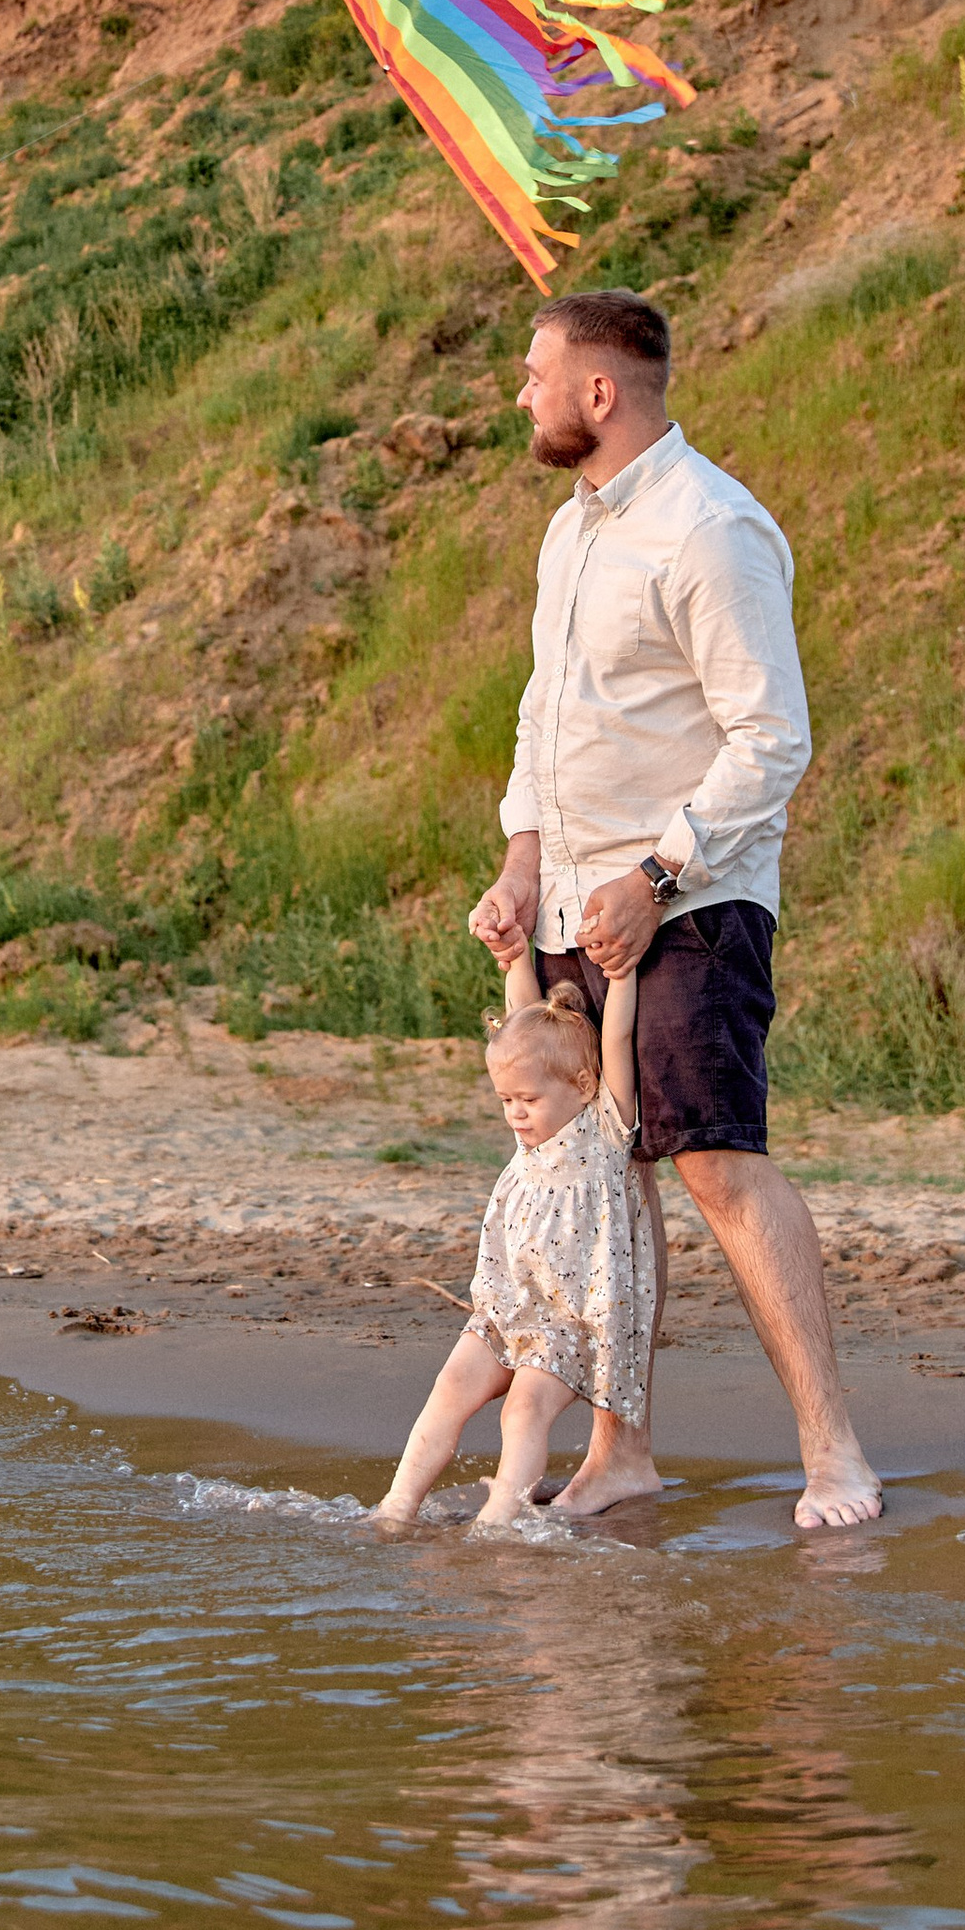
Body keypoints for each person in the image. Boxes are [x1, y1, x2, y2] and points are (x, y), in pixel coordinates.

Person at [469, 287, 880, 1529]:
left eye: (537, 375)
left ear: (601, 392)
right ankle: (622, 1452)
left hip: (690, 905)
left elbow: (771, 739)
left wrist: (655, 880)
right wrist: (520, 864)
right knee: (602, 1180)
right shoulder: (568, 532)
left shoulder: (712, 527)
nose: (522, 395)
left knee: (713, 1163)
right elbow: (546, 716)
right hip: (574, 908)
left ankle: (832, 1456)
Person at [376, 949, 657, 1530]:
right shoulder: (531, 1139)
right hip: (508, 1306)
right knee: (449, 1387)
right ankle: (398, 1505)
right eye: (506, 1101)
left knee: (524, 1409)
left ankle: (500, 1518)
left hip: (569, 1321)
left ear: (583, 1085)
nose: (515, 1116)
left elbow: (620, 1034)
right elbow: (524, 1015)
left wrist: (622, 977)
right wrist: (511, 958)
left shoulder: (605, 1124)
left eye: (528, 1101)